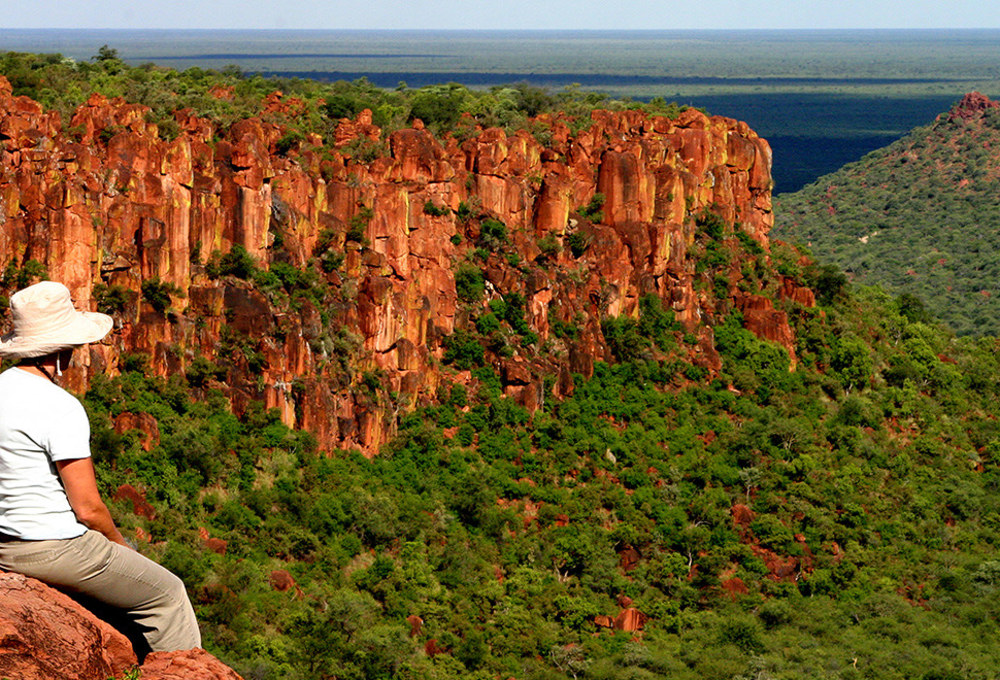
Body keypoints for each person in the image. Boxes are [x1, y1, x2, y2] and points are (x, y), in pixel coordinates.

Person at [0, 280, 201, 656]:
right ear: (61, 350)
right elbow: (89, 509)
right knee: (168, 594)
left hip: (5, 546)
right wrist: (121, 548)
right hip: (56, 550)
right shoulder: (59, 406)